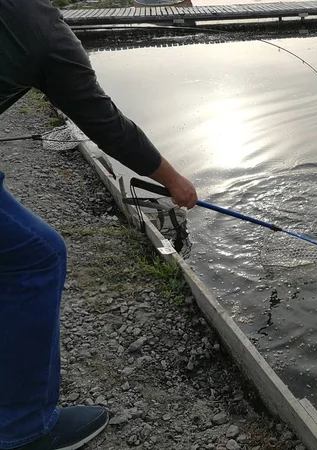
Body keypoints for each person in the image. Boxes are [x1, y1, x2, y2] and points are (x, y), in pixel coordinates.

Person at [0, 1, 198, 449]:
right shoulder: (41, 31)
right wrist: (174, 181)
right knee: (37, 256)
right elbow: (107, 125)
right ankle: (26, 430)